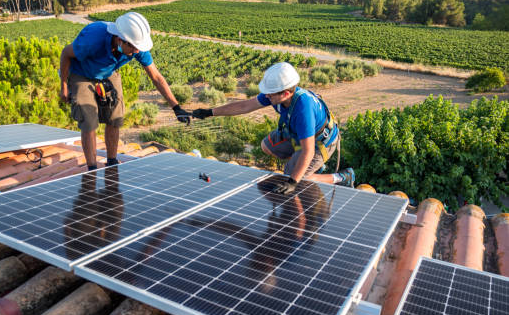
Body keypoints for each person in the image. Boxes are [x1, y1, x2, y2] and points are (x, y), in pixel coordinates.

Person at [193, 62, 355, 194]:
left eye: (270, 94)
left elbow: (309, 151)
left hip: (320, 144)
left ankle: (340, 177)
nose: (267, 97)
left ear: (285, 93)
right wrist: (209, 112)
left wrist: (292, 181)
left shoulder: (303, 109)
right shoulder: (275, 94)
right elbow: (244, 106)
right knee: (266, 146)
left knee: (297, 177)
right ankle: (305, 165)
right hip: (298, 136)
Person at [60, 12, 191, 169]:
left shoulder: (137, 46)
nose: (137, 52)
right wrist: (64, 87)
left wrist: (176, 107)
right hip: (81, 73)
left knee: (116, 117)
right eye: (134, 48)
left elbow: (156, 77)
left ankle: (112, 161)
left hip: (108, 73)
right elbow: (66, 54)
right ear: (120, 39)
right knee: (88, 121)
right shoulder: (93, 39)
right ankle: (92, 169)